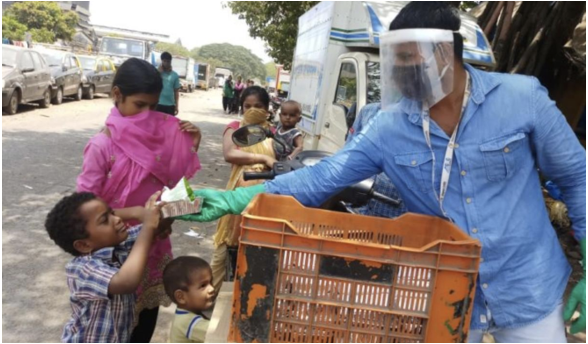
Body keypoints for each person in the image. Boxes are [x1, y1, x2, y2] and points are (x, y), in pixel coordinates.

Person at [178, 2, 586, 342]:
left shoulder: (522, 98)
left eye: (409, 59)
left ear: (445, 55)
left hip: (528, 286)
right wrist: (234, 199)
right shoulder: (391, 126)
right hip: (446, 292)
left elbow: (577, 178)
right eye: (397, 58)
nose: (399, 70)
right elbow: (321, 178)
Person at [77, 58, 202, 343]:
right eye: (139, 105)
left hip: (152, 249)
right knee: (114, 330)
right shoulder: (101, 146)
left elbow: (177, 192)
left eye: (153, 107)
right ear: (117, 95)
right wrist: (137, 213)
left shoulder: (161, 139)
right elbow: (83, 209)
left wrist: (189, 147)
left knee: (143, 328)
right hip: (113, 256)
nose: (147, 116)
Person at [181, 86, 276, 293]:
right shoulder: (235, 127)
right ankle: (208, 299)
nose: (252, 110)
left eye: (258, 106)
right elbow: (229, 153)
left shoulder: (272, 132)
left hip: (266, 193)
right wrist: (262, 158)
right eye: (247, 106)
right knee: (224, 248)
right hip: (238, 190)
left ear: (267, 108)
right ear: (241, 107)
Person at [45, 191, 166, 343]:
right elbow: (126, 282)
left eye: (112, 213)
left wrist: (167, 208)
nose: (117, 219)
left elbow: (155, 228)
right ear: (83, 245)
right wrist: (149, 225)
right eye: (104, 220)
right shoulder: (83, 269)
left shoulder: (117, 245)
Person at [346, 103, 407, 218]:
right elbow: (347, 157)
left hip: (393, 220)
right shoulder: (367, 112)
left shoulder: (423, 123)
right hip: (356, 212)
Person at [163, 256, 215, 343]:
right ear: (181, 297)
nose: (211, 288)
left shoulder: (183, 315)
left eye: (211, 282)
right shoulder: (190, 323)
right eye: (203, 285)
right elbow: (220, 334)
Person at [156, 52, 181, 116]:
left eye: (168, 61)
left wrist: (176, 106)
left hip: (170, 105)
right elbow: (151, 85)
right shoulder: (156, 72)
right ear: (162, 61)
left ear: (171, 61)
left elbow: (176, 92)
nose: (166, 63)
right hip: (157, 104)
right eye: (164, 61)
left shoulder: (175, 75)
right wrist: (158, 73)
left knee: (169, 125)